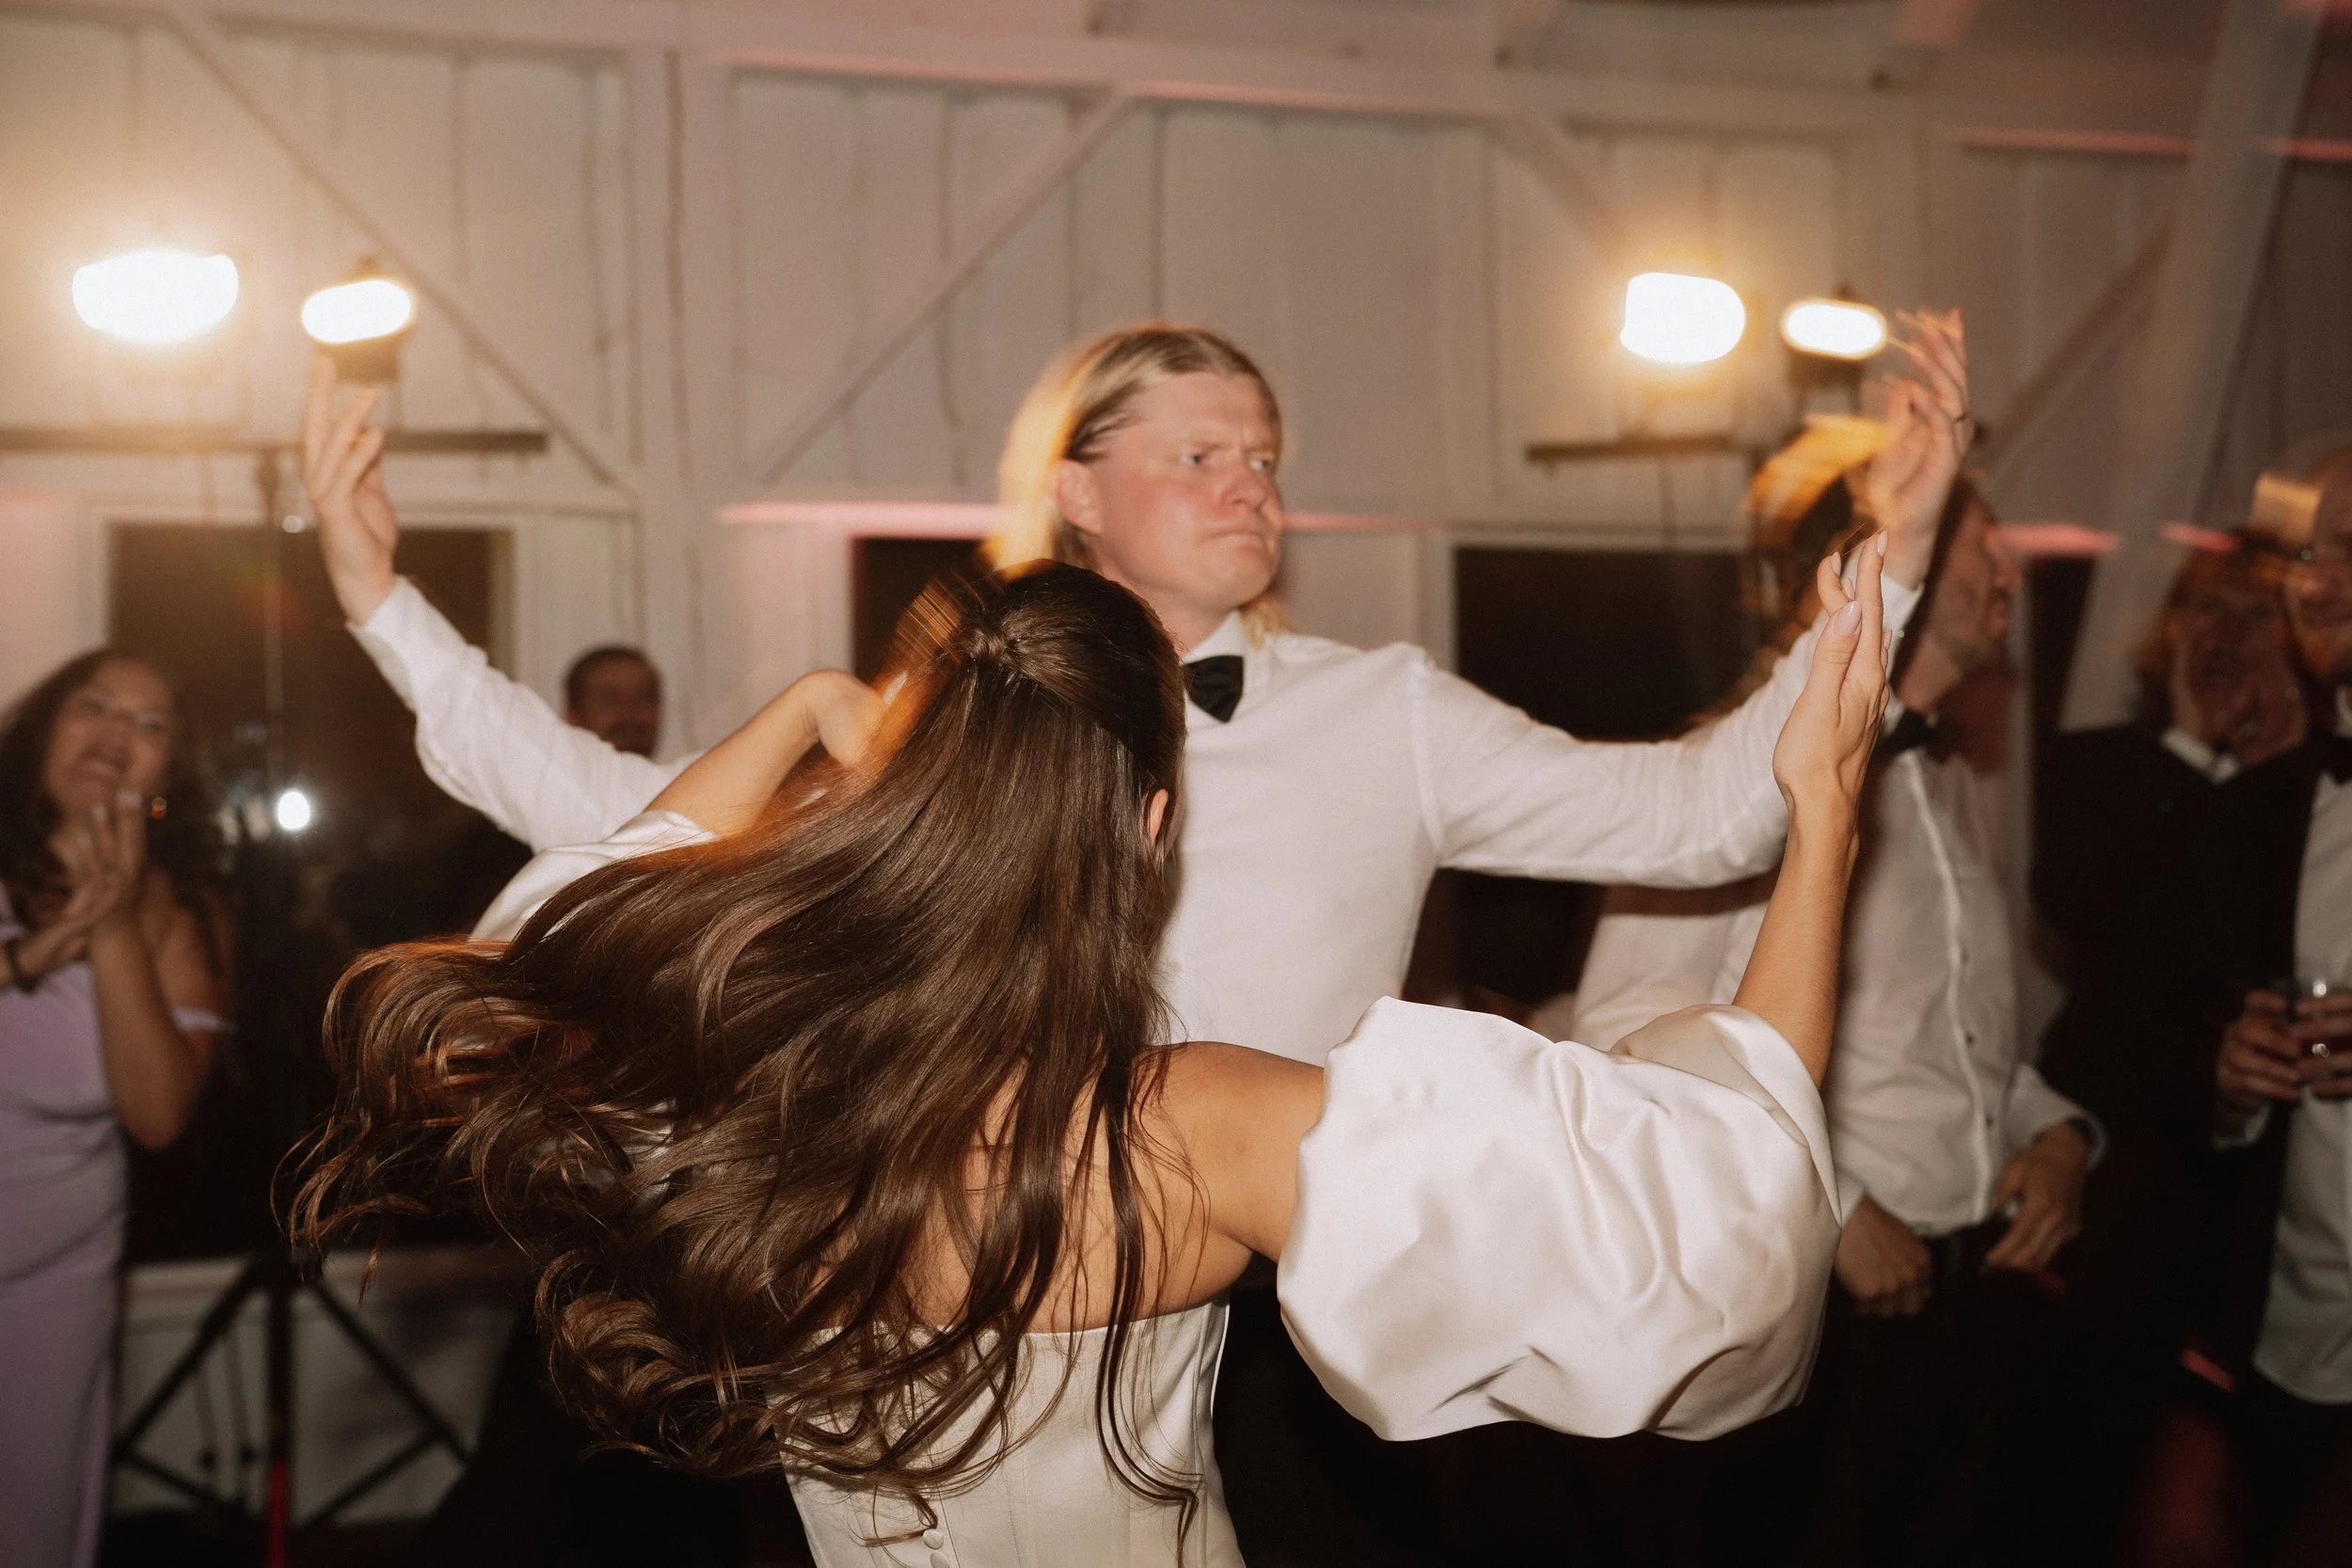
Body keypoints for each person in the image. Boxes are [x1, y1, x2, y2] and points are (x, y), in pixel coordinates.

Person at [300, 314, 1964, 1561]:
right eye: (1201, 453)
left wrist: (1880, 592)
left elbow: (1687, 816)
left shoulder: (1384, 710)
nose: (1255, 486)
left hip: (1323, 1275)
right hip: (938, 1252)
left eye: (1267, 457)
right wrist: (389, 610)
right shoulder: (959, 709)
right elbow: (610, 804)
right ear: (1078, 489)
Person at [1575, 480, 2098, 1567]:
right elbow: (1620, 1029)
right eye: (1982, 546)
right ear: (1877, 568)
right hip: (1812, 1313)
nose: (2010, 573)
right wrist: (1834, 1202)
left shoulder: (1948, 780)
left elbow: (1955, 1043)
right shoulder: (1734, 773)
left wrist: (2053, 1133)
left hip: (1967, 1304)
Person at [2028, 539, 2309, 1560]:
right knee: (2081, 1439)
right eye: (2208, 607)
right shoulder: (2095, 764)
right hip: (2117, 1146)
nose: (2228, 631)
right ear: (2168, 628)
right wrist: (2191, 748)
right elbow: (2098, 912)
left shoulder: (2303, 793)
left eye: (2254, 612)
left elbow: (2256, 948)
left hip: (2250, 1166)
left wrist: (2267, 767)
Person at [0, 651, 229, 1568]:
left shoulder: (183, 914)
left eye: (148, 723)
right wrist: (34, 951)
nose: (114, 735)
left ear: (167, 772)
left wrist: (118, 920)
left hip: (51, 1284)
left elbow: (158, 1114)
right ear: (43, 731)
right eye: (92, 706)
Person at [2201, 442, 2352, 1567]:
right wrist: (2230, 1079)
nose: (2314, 575)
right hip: (2290, 1336)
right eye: (2304, 548)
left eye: (2346, 545)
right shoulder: (2271, 810)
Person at [564, 646, 663, 759]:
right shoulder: (551, 775)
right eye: (610, 702)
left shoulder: (676, 772)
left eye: (643, 700)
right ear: (573, 716)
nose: (629, 713)